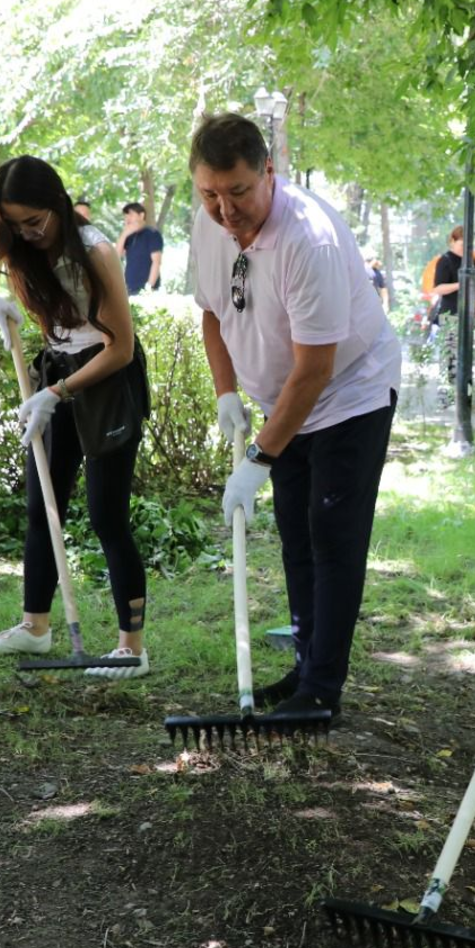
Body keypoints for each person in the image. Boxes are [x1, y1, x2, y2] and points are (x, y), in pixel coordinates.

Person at [188, 112, 401, 719]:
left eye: (238, 192)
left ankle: (321, 693)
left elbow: (316, 369)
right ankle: (307, 666)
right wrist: (227, 392)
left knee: (332, 533)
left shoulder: (310, 238)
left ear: (269, 174)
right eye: (209, 194)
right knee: (296, 533)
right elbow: (212, 312)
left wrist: (259, 458)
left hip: (349, 393)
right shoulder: (208, 228)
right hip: (283, 399)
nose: (225, 211)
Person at [0, 156, 152, 679]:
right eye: (15, 224)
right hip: (57, 372)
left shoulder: (94, 250)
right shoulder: (15, 238)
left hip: (106, 380)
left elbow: (121, 348)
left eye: (35, 222)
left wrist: (57, 392)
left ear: (57, 204)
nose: (26, 234)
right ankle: (35, 628)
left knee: (106, 516)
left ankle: (131, 647)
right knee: (40, 509)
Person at [119, 201, 164, 295]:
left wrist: (149, 288)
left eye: (130, 215)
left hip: (147, 289)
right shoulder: (128, 236)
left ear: (141, 215)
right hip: (129, 288)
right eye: (126, 216)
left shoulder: (152, 234)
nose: (127, 219)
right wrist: (124, 234)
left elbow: (156, 261)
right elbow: (116, 256)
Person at [425, 225, 464, 331]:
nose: (465, 248)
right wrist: (461, 284)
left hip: (468, 314)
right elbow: (438, 289)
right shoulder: (445, 260)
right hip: (450, 315)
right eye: (462, 244)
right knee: (450, 347)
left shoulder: (470, 260)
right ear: (452, 242)